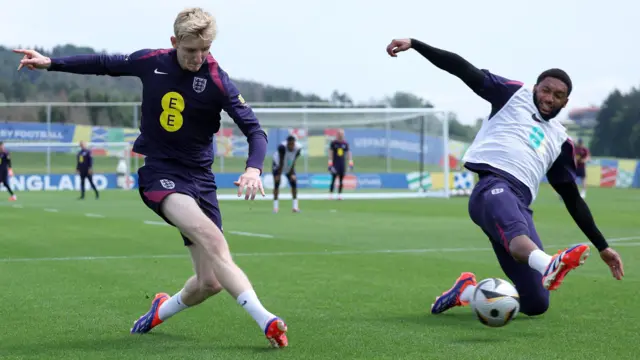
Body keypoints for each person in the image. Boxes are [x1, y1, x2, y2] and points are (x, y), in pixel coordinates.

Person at [15, 7, 288, 348]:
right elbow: (103, 64)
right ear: (174, 42)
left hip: (201, 179)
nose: (198, 58)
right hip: (161, 173)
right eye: (191, 51)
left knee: (209, 283)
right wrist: (51, 62)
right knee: (214, 241)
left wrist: (253, 168)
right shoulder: (151, 60)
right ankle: (267, 320)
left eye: (206, 49)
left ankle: (160, 310)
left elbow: (255, 131)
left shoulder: (218, 80)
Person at [386, 38, 624, 318]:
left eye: (557, 95)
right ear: (536, 87)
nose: (548, 98)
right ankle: (550, 263)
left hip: (520, 205)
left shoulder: (561, 140)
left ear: (566, 101)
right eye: (545, 90)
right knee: (521, 240)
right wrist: (415, 44)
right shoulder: (512, 94)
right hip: (492, 188)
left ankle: (466, 291)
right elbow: (463, 69)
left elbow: (572, 199)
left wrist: (603, 246)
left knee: (536, 303)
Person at [272, 135, 301, 213]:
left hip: (289, 163)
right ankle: (275, 207)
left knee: (294, 183)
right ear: (287, 143)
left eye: (293, 144)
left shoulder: (298, 148)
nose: (291, 146)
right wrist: (278, 174)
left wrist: (292, 173)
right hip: (277, 164)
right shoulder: (282, 147)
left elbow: (294, 160)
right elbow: (281, 162)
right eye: (289, 144)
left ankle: (295, 207)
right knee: (276, 184)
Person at [328, 129, 353, 200]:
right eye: (339, 134)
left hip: (342, 164)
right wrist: (330, 164)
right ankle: (331, 194)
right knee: (333, 179)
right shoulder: (333, 143)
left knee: (341, 180)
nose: (341, 135)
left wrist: (350, 163)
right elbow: (331, 153)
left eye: (342, 134)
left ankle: (339, 194)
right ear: (337, 134)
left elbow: (348, 154)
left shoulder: (345, 144)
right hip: (335, 164)